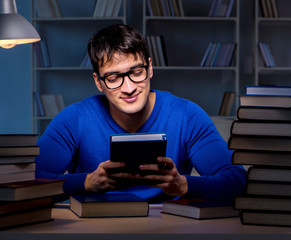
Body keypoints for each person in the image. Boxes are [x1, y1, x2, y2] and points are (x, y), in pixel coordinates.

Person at [35, 24, 247, 202]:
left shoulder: (186, 115)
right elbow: (27, 180)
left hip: (168, 227)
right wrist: (86, 182)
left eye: (137, 72)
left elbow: (237, 179)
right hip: (95, 226)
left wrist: (183, 184)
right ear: (98, 83)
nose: (128, 88)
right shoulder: (75, 119)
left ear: (150, 68)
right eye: (113, 78)